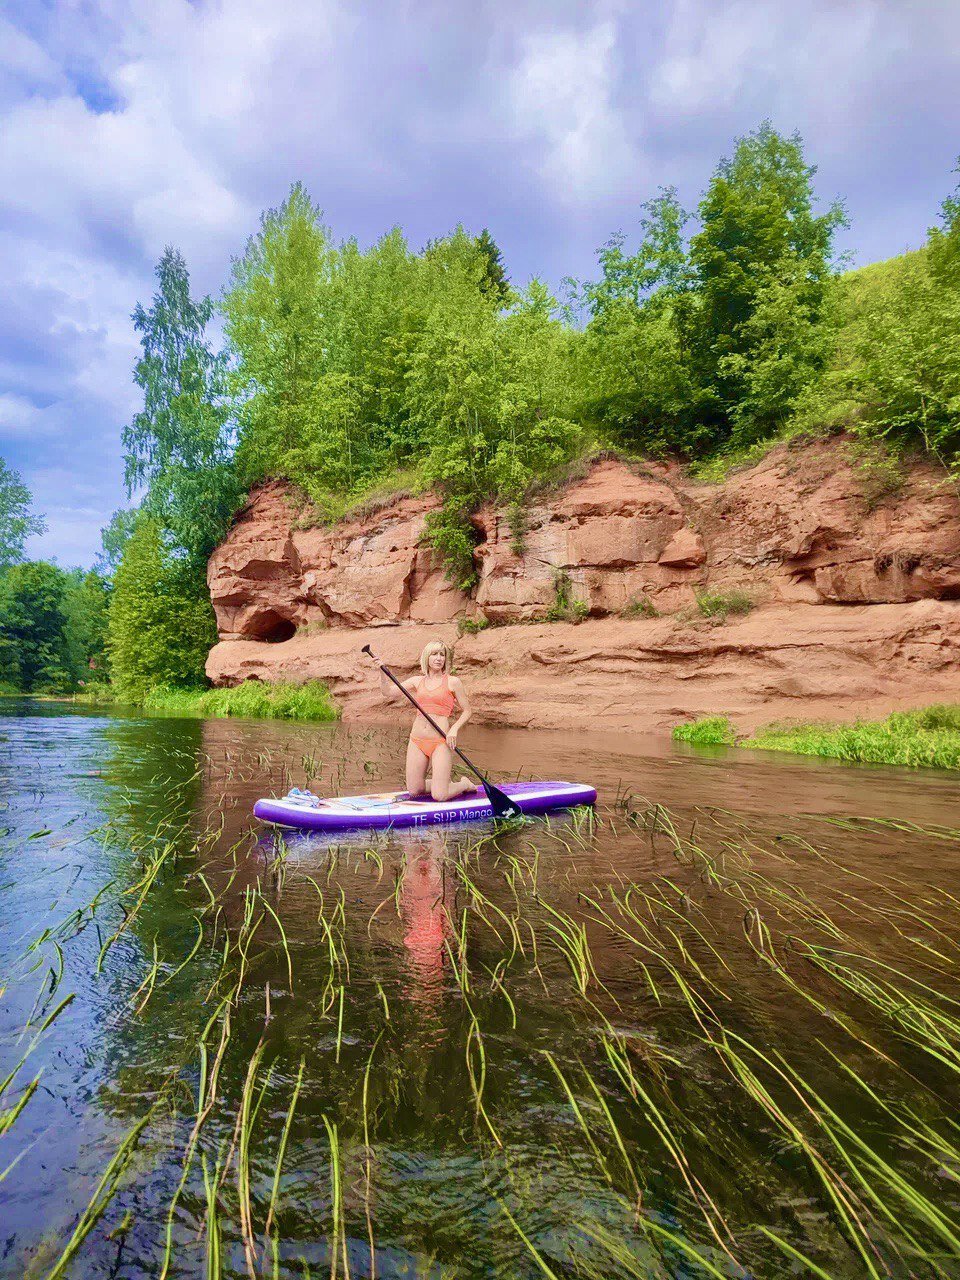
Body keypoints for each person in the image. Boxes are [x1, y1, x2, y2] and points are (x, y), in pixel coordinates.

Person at [371, 639, 476, 802]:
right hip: (417, 740)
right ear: (427, 657)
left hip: (440, 741)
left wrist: (454, 729)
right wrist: (382, 673)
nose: (439, 658)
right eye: (435, 654)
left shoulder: (453, 682)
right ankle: (441, 783)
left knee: (440, 796)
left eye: (442, 654)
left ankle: (464, 784)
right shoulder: (417, 681)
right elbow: (388, 692)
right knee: (415, 790)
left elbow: (467, 710)